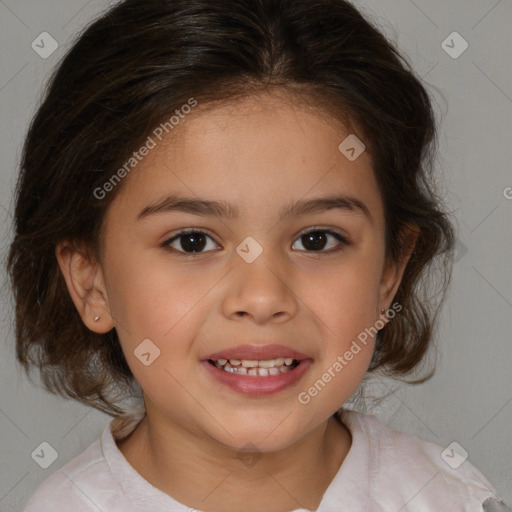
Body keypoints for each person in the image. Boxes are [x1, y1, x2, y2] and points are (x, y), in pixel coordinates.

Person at [7, 0, 510, 510]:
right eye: (192, 241)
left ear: (389, 273)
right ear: (91, 281)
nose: (263, 297)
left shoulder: (452, 498)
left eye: (317, 240)